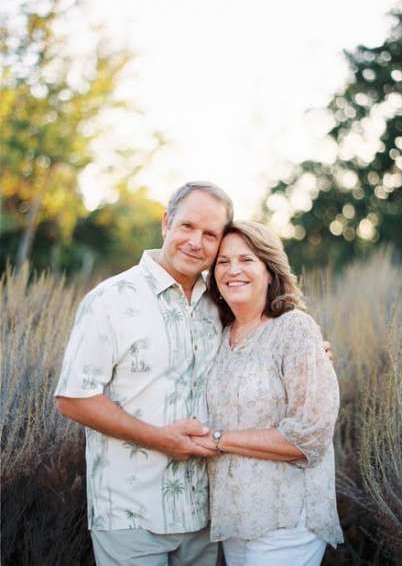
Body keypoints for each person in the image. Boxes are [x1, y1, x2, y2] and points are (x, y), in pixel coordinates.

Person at [55, 182, 335, 566]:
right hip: (131, 512)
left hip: (205, 514)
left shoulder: (216, 304)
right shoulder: (111, 300)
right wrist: (160, 439)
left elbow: (259, 346)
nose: (195, 242)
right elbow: (73, 398)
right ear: (166, 223)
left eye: (210, 235)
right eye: (187, 226)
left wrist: (307, 355)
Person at [191, 221, 344, 566]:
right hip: (234, 516)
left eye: (246, 260)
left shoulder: (294, 329)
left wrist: (218, 439)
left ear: (270, 270)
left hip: (288, 516)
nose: (233, 271)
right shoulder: (216, 333)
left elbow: (309, 436)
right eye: (223, 262)